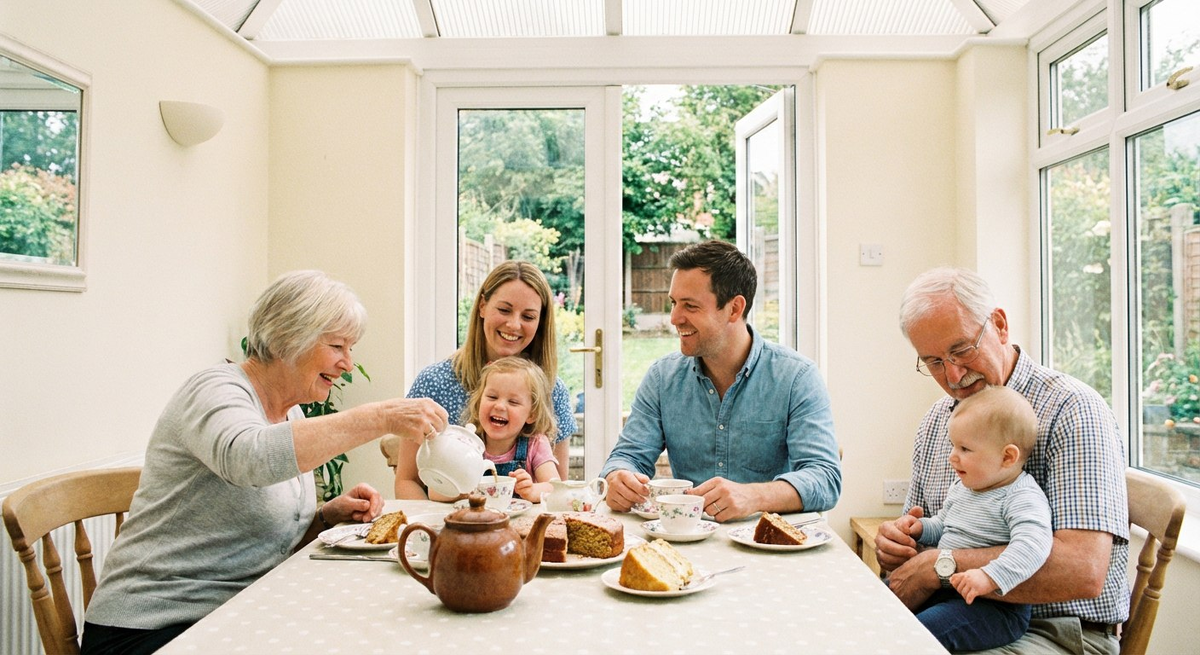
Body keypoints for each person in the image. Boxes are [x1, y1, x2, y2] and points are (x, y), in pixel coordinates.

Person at [80, 271, 448, 655]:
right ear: (287, 336)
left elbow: (262, 542)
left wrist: (323, 518)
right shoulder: (213, 389)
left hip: (231, 616)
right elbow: (249, 459)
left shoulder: (291, 416)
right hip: (150, 629)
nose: (348, 364)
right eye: (338, 345)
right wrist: (379, 417)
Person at [877, 267, 1128, 655]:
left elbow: (1083, 571)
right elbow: (930, 534)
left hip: (1057, 629)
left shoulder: (1072, 410)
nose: (953, 374)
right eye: (934, 361)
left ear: (999, 324)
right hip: (955, 607)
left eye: (960, 350)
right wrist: (899, 543)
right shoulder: (935, 423)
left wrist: (939, 568)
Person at [600, 240, 841, 521]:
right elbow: (627, 456)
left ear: (734, 309)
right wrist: (617, 477)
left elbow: (825, 479)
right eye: (674, 303)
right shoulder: (662, 378)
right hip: (686, 541)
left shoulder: (797, 378)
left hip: (770, 544)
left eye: (690, 306)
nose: (674, 318)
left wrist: (753, 496)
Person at [397, 261, 577, 498]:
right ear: (482, 305)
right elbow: (406, 481)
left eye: (528, 316)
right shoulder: (434, 383)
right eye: (504, 310)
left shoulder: (552, 391)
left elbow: (556, 490)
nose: (514, 324)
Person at [894, 385, 1052, 651]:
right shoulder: (966, 487)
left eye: (965, 449)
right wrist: (921, 528)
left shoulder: (1021, 496)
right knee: (880, 600)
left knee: (921, 633)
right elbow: (945, 524)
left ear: (1007, 456)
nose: (953, 456)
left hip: (995, 607)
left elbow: (1033, 545)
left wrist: (990, 577)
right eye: (953, 445)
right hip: (949, 592)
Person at [462, 356, 561, 502]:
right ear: (478, 403)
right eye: (492, 397)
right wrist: (461, 490)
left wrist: (532, 490)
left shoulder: (536, 443)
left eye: (513, 402)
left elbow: (556, 488)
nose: (500, 406)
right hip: (477, 522)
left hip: (522, 522)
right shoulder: (467, 442)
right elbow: (435, 492)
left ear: (532, 414)